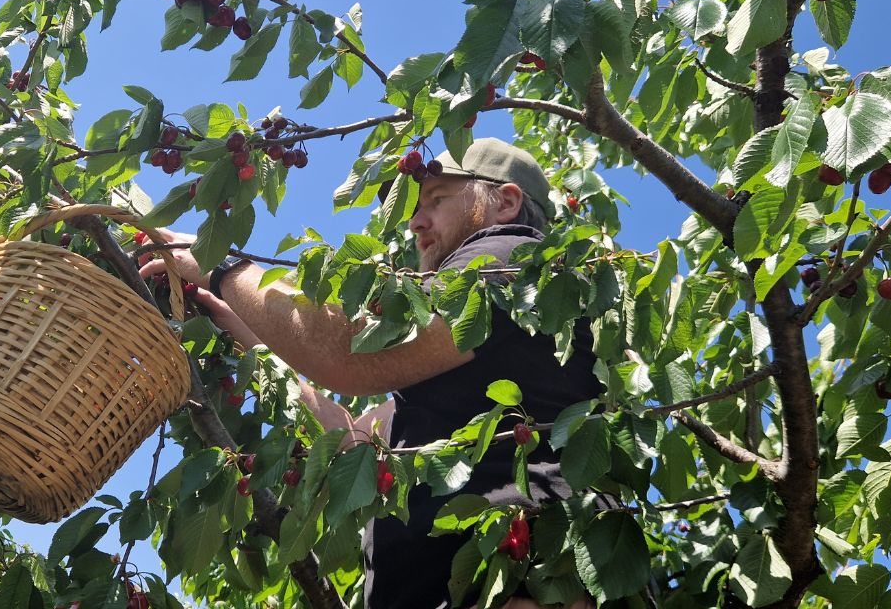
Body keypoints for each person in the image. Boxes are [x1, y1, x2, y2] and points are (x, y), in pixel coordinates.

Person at [138, 137, 602, 609]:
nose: (416, 222)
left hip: (520, 586)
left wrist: (222, 265)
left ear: (505, 202)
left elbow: (349, 353)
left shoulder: (514, 262)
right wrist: (240, 323)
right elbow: (353, 441)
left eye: (437, 200)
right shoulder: (457, 363)